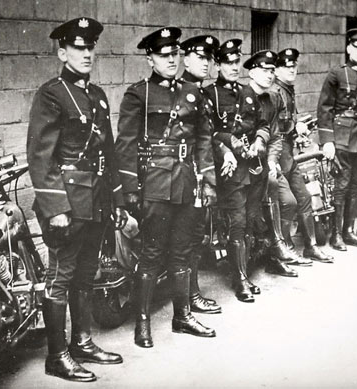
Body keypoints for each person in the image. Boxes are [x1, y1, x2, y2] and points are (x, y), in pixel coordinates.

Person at [27, 17, 127, 382]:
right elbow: (40, 157)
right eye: (79, 48)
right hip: (67, 202)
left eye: (91, 47)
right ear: (62, 51)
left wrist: (115, 200)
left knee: (86, 274)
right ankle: (56, 356)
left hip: (96, 199)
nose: (87, 54)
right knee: (60, 276)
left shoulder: (97, 95)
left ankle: (82, 342)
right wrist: (55, 209)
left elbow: (109, 152)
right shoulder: (51, 94)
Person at [115, 27, 217, 348]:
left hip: (186, 181)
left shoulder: (192, 91)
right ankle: (142, 322)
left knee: (182, 251)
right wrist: (130, 190)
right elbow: (126, 144)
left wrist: (208, 180)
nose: (171, 60)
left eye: (174, 54)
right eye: (163, 55)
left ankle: (182, 316)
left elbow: (203, 139)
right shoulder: (138, 94)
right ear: (150, 58)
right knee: (152, 254)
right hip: (155, 183)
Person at [205, 40, 274, 303]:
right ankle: (239, 279)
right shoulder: (209, 94)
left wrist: (259, 139)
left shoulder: (247, 92)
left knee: (249, 221)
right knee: (237, 223)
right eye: (228, 63)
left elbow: (263, 123)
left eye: (237, 62)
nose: (233, 67)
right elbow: (208, 132)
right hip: (231, 170)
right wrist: (231, 143)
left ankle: (243, 272)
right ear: (218, 65)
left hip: (254, 168)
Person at [316, 29, 357, 251]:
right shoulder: (336, 74)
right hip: (342, 137)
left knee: (356, 186)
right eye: (356, 47)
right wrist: (327, 140)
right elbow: (324, 108)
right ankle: (336, 235)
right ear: (348, 49)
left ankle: (349, 231)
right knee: (341, 186)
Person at [244, 50, 310, 275]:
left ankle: (278, 249)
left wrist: (272, 160)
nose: (270, 75)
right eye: (264, 70)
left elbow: (275, 135)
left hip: (267, 165)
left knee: (289, 202)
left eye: (272, 70)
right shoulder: (243, 95)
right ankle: (264, 255)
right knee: (253, 213)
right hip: (246, 166)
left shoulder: (273, 97)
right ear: (252, 72)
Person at [270, 48, 334, 263]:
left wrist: (296, 131)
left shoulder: (287, 90)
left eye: (293, 66)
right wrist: (294, 127)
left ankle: (311, 246)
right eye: (286, 66)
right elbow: (274, 129)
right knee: (288, 203)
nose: (291, 70)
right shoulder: (274, 92)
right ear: (276, 70)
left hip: (288, 155)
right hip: (278, 156)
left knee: (304, 198)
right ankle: (285, 248)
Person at [178, 34, 222, 315]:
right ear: (186, 59)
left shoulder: (201, 92)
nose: (206, 63)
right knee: (185, 239)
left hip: (196, 175)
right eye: (200, 57)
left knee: (194, 236)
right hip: (179, 175)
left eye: (208, 58)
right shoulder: (181, 90)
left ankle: (191, 294)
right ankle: (188, 298)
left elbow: (207, 136)